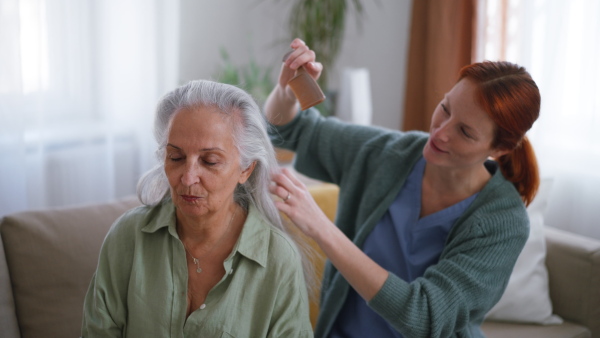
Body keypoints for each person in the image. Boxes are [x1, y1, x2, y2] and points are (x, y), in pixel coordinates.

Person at [266, 39, 540, 338]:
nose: (440, 132)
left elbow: (424, 317)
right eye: (445, 109)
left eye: (464, 131)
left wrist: (321, 228)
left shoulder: (504, 223)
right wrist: (287, 91)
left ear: (499, 149)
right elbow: (292, 130)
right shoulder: (388, 154)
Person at [82, 80, 314, 337]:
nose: (188, 177)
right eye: (176, 158)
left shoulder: (278, 260)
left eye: (210, 161)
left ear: (246, 169)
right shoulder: (127, 237)